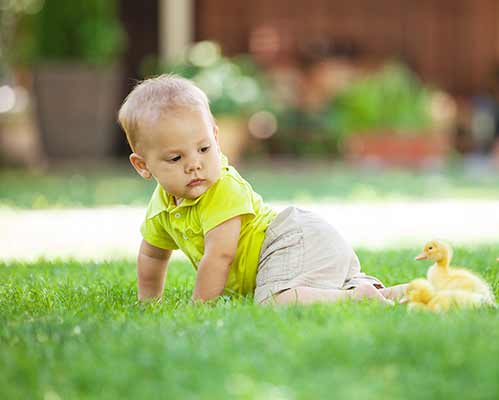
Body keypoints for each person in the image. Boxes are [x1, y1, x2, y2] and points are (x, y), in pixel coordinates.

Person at [117, 74, 409, 305]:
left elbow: (219, 256)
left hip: (289, 240)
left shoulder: (223, 189)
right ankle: (395, 294)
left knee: (273, 301)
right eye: (176, 158)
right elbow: (152, 256)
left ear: (216, 138)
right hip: (290, 251)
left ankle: (355, 299)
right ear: (143, 166)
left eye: (204, 149)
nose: (194, 165)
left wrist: (200, 308)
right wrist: (149, 303)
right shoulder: (162, 207)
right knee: (299, 293)